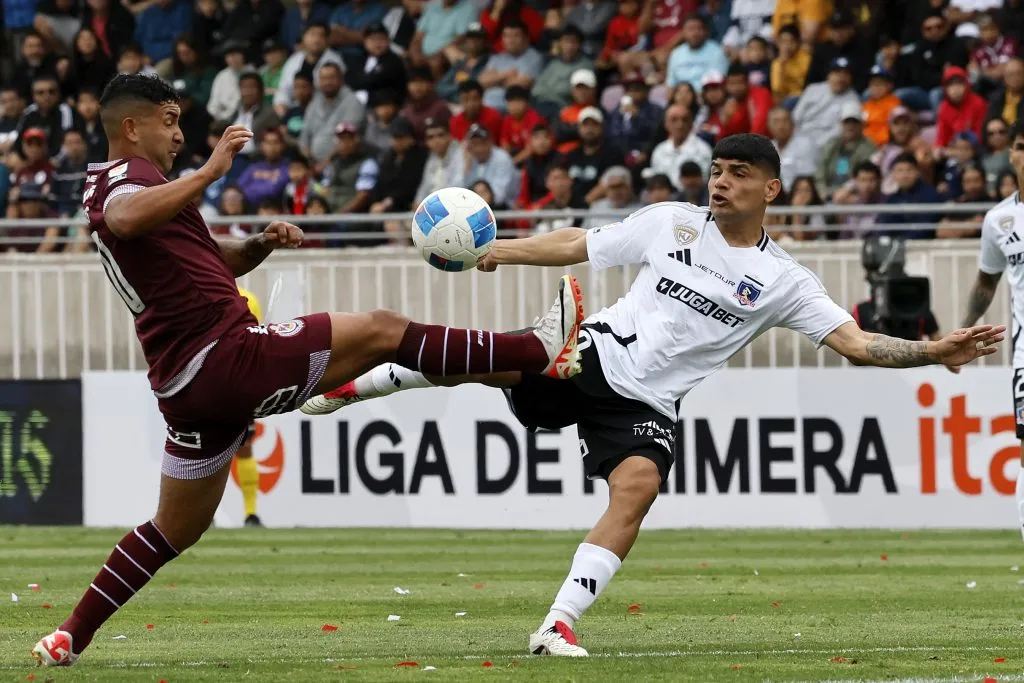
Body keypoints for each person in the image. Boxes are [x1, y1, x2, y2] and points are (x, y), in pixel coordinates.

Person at [301, 133, 1005, 657]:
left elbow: (855, 342)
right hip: (597, 352)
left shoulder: (785, 279)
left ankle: (556, 624)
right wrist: (501, 251)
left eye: (739, 174)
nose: (721, 183)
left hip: (650, 405)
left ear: (773, 190)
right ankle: (362, 381)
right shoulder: (670, 222)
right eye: (717, 171)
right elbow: (583, 242)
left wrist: (933, 351)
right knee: (497, 361)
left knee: (636, 489)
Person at [30, 73, 587, 667]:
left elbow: (206, 257)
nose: (179, 133)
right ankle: (536, 352)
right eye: (169, 121)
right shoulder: (125, 182)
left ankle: (69, 635)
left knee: (174, 528)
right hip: (225, 356)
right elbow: (124, 219)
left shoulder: (144, 189)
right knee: (381, 329)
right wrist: (210, 173)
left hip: (185, 387)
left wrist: (257, 246)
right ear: (132, 127)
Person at [958, 120, 1024, 541]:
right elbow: (987, 281)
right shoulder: (999, 219)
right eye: (1020, 146)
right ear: (1010, 155)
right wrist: (962, 332)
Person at [234, 286, 264, 527]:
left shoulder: (248, 299)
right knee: (206, 454)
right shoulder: (247, 298)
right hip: (217, 382)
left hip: (237, 383)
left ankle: (250, 513)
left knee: (244, 447)